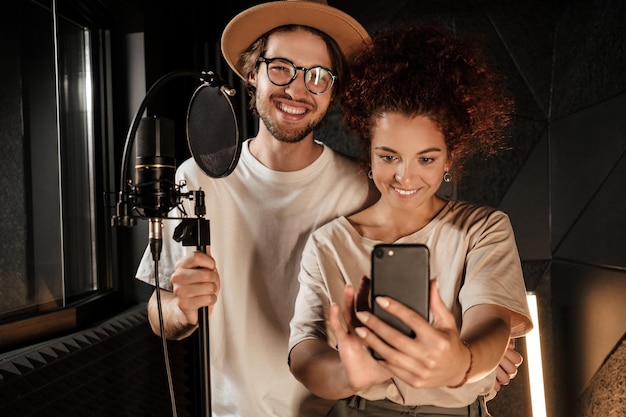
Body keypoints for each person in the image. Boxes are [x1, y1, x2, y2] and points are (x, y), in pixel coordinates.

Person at [136, 1, 522, 415]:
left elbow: (445, 281)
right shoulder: (197, 178)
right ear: (253, 73)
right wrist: (182, 308)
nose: (298, 90)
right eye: (282, 67)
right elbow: (162, 313)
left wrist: (474, 357)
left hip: (334, 409)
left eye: (318, 76)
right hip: (234, 408)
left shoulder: (367, 186)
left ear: (333, 90)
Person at [288, 23, 534, 417]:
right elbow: (303, 353)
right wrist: (347, 373)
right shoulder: (328, 243)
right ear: (368, 152)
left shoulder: (483, 229)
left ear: (450, 157)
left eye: (426, 158)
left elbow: (492, 322)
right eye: (388, 157)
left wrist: (462, 363)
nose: (405, 177)